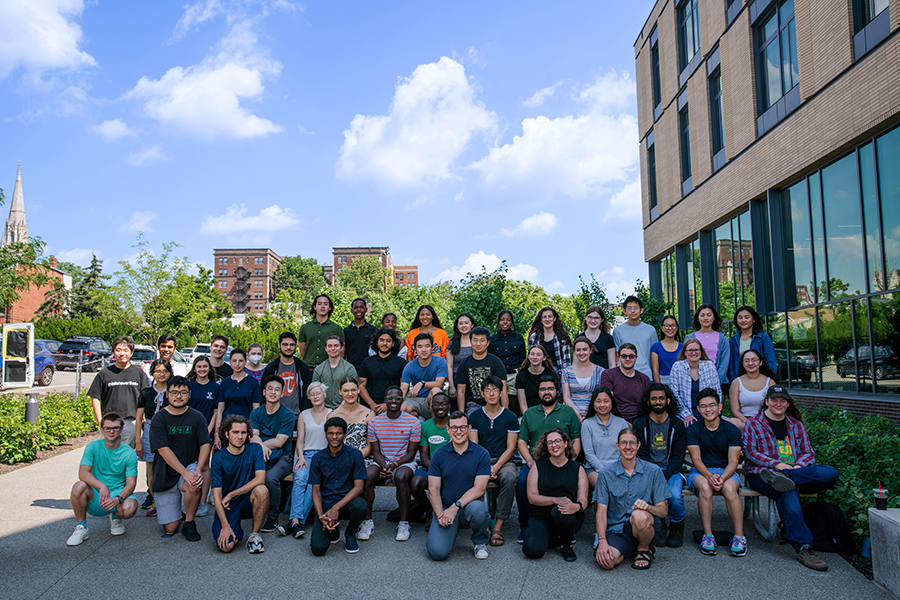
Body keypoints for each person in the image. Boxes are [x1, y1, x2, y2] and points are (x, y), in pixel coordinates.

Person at [743, 385, 839, 571]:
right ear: (767, 402)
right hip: (762, 474)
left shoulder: (796, 425)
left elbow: (808, 453)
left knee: (830, 473)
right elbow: (750, 452)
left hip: (796, 472)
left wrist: (796, 467)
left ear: (787, 403)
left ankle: (786, 477)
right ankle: (804, 548)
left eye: (782, 400)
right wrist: (776, 465)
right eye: (774, 400)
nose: (778, 404)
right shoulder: (754, 423)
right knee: (786, 490)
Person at [516, 376, 582, 544]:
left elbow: (576, 439)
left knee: (569, 482)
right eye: (543, 389)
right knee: (523, 480)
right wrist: (530, 461)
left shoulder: (568, 412)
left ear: (557, 391)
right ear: (538, 392)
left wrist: (571, 462)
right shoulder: (530, 413)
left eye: (550, 388)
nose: (547, 392)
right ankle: (525, 526)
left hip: (562, 461)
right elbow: (522, 441)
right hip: (536, 462)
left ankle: (568, 526)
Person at [593, 428, 670, 570]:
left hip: (646, 527)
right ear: (617, 445)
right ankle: (628, 550)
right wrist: (602, 541)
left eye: (632, 443)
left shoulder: (654, 471)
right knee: (607, 562)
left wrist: (648, 507)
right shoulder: (605, 474)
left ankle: (643, 549)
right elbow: (601, 512)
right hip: (617, 530)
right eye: (624, 443)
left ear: (638, 445)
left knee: (639, 515)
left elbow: (662, 512)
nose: (628, 447)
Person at [686, 387, 746, 557]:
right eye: (703, 406)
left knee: (729, 488)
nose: (708, 409)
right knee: (705, 487)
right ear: (698, 409)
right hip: (701, 471)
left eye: (712, 405)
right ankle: (708, 535)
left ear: (720, 406)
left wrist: (722, 477)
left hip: (726, 471)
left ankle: (739, 537)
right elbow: (696, 459)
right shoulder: (693, 430)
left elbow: (734, 461)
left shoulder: (731, 430)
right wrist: (710, 476)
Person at [149, 376, 211, 540]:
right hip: (165, 472)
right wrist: (185, 473)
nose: (179, 396)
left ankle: (189, 522)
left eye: (183, 393)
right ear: (167, 394)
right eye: (174, 392)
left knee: (194, 482)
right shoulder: (159, 418)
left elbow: (205, 444)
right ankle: (180, 509)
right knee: (170, 527)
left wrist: (197, 470)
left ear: (189, 394)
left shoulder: (197, 417)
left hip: (189, 465)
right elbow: (163, 449)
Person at [425, 411, 492, 561]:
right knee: (437, 553)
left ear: (469, 428)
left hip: (468, 508)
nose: (458, 432)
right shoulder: (439, 454)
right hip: (445, 510)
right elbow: (433, 489)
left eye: (462, 427)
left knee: (479, 509)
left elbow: (479, 488)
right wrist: (440, 514)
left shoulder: (481, 454)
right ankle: (447, 530)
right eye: (454, 428)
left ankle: (480, 542)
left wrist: (455, 507)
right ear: (448, 430)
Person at [66, 412, 139, 546]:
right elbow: (83, 473)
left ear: (121, 429)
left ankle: (116, 517)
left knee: (130, 508)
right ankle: (82, 528)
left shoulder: (128, 453)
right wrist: (101, 486)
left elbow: (131, 484)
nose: (111, 431)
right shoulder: (92, 447)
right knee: (78, 486)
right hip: (96, 495)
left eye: (115, 428)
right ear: (101, 429)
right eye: (107, 428)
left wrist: (118, 498)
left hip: (117, 495)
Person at [361, 387, 421, 542]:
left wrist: (393, 464)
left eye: (398, 398)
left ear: (402, 400)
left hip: (404, 462)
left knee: (401, 477)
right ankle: (367, 522)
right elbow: (375, 451)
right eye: (390, 398)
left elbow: (411, 453)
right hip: (381, 461)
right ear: (385, 399)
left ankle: (403, 523)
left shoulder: (413, 422)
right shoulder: (374, 422)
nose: (394, 401)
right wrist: (384, 465)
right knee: (367, 476)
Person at [633, 383, 687, 547]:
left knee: (675, 497)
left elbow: (678, 456)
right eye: (654, 398)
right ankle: (660, 522)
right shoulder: (639, 424)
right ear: (648, 402)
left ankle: (677, 525)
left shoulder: (677, 425)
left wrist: (665, 475)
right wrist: (656, 474)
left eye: (661, 398)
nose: (658, 401)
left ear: (668, 401)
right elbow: (641, 454)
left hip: (671, 471)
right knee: (648, 496)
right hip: (647, 471)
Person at [523, 429, 589, 561]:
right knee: (532, 550)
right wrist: (555, 500)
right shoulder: (538, 466)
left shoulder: (577, 468)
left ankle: (566, 545)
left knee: (561, 510)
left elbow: (583, 499)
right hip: (541, 515)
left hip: (567, 515)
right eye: (550, 443)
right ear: (546, 447)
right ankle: (553, 538)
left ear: (565, 444)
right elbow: (532, 497)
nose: (554, 445)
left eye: (558, 441)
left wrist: (575, 507)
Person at [468, 377, 519, 546]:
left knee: (510, 478)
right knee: (474, 478)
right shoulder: (475, 416)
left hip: (503, 460)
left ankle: (498, 525)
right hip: (481, 459)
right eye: (488, 390)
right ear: (482, 394)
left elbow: (511, 448)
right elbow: (474, 446)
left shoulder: (510, 416)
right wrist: (485, 467)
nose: (491, 393)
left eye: (495, 390)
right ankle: (482, 523)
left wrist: (496, 467)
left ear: (501, 392)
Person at [309, 416, 369, 555]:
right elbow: (316, 491)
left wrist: (336, 508)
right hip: (326, 504)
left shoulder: (355, 455)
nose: (334, 437)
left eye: (338, 433)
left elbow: (359, 487)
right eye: (331, 433)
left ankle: (350, 533)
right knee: (318, 549)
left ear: (344, 434)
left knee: (361, 506)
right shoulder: (318, 458)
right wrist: (321, 516)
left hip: (347, 502)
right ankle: (332, 529)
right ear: (325, 435)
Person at [210, 415, 268, 554]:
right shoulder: (218, 458)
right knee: (226, 547)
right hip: (228, 505)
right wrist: (225, 526)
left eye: (243, 432)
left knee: (262, 490)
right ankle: (233, 526)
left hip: (247, 499)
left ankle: (254, 535)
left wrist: (232, 494)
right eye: (235, 432)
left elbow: (260, 479)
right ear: (227, 434)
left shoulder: (255, 449)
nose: (240, 436)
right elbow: (217, 496)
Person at [284, 382, 331, 538]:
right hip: (307, 455)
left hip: (324, 457)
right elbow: (300, 440)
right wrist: (301, 457)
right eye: (312, 394)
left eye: (318, 393)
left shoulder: (331, 414)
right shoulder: (304, 414)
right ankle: (296, 521)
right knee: (300, 479)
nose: (315, 396)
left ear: (324, 395)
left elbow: (333, 441)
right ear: (309, 397)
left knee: (313, 485)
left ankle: (295, 523)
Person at [249, 375, 295, 533]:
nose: (273, 392)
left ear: (282, 394)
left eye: (277, 390)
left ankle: (272, 517)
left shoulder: (287, 414)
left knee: (269, 478)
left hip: (284, 456)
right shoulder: (256, 413)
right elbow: (253, 435)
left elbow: (279, 442)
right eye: (270, 389)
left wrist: (260, 443)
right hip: (261, 454)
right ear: (264, 392)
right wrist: (261, 445)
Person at [88, 336, 148, 449]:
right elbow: (95, 397)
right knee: (107, 457)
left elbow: (144, 398)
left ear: (131, 353)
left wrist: (142, 419)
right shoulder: (104, 374)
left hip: (131, 423)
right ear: (113, 352)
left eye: (126, 350)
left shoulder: (138, 373)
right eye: (118, 350)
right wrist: (100, 421)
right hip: (109, 423)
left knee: (127, 457)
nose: (122, 353)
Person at [410, 392, 453, 530]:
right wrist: (437, 472)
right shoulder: (425, 426)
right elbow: (424, 456)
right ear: (431, 406)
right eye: (436, 404)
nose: (440, 407)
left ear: (449, 406)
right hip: (431, 467)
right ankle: (429, 511)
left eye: (443, 404)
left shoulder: (455, 425)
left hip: (453, 468)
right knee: (415, 483)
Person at [135, 359, 172, 517]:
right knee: (151, 471)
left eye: (164, 371)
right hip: (150, 429)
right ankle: (156, 501)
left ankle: (170, 502)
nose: (161, 374)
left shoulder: (173, 390)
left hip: (169, 430)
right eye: (157, 371)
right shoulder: (146, 392)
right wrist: (138, 441)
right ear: (152, 373)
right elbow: (139, 418)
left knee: (169, 466)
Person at [186, 355, 222, 513]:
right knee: (188, 463)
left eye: (205, 366)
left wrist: (210, 430)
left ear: (209, 368)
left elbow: (216, 411)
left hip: (206, 431)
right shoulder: (188, 385)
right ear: (194, 368)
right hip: (188, 431)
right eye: (199, 366)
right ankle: (187, 496)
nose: (202, 369)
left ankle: (202, 501)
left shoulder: (215, 387)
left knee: (205, 466)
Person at [581, 387, 629, 487]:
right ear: (593, 404)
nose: (602, 405)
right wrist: (604, 470)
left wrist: (617, 469)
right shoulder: (587, 424)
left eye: (606, 401)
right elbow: (589, 453)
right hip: (595, 470)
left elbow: (625, 450)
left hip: (620, 468)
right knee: (605, 485)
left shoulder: (622, 423)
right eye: (598, 401)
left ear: (612, 403)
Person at [455, 326, 508, 414]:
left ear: (487, 343)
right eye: (475, 340)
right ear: (470, 342)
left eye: (482, 340)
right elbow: (461, 391)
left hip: (495, 403)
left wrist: (505, 411)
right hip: (473, 405)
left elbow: (504, 388)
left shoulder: (496, 362)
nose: (478, 344)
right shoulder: (464, 364)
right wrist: (462, 414)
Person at [260, 332, 313, 417]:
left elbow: (308, 391)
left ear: (295, 346)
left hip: (297, 416)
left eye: (291, 345)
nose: (288, 347)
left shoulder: (302, 367)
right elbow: (263, 390)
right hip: (274, 415)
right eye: (285, 344)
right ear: (279, 345)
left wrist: (303, 412)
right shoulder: (272, 367)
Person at [669, 338, 719, 425]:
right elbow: (674, 395)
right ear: (685, 352)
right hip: (683, 414)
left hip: (707, 412)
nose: (693, 353)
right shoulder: (677, 367)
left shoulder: (709, 366)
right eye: (690, 350)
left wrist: (710, 412)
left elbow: (717, 392)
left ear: (701, 351)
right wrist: (687, 415)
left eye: (696, 350)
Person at [400, 332, 448, 419]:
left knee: (436, 391)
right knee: (403, 408)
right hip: (416, 399)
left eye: (427, 346)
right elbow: (403, 389)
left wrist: (422, 383)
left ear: (432, 348)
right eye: (420, 347)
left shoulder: (440, 362)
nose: (424, 350)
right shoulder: (410, 366)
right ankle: (418, 417)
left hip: (432, 399)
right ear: (415, 349)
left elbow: (439, 384)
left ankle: (435, 424)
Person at [358, 328, 406, 414]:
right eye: (381, 340)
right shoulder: (367, 361)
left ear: (393, 343)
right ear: (376, 342)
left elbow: (403, 387)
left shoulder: (401, 363)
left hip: (393, 407)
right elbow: (361, 386)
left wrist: (387, 405)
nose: (384, 343)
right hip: (369, 408)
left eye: (388, 341)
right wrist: (372, 404)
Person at [599, 343, 651, 422]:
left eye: (631, 356)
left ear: (636, 358)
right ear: (618, 358)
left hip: (639, 419)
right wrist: (622, 423)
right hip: (615, 419)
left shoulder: (644, 379)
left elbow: (647, 404)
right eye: (624, 356)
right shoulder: (608, 375)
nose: (627, 359)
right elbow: (608, 401)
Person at [728, 348, 777, 432]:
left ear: (760, 362)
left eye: (754, 360)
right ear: (743, 364)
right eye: (746, 361)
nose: (750, 363)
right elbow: (735, 411)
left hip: (765, 420)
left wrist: (761, 423)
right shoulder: (736, 383)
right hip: (744, 421)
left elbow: (773, 407)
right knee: (732, 423)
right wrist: (750, 423)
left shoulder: (770, 383)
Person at [330, 378, 374, 470]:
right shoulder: (333, 415)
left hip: (363, 458)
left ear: (358, 390)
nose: (350, 394)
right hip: (340, 458)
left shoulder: (369, 414)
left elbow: (370, 446)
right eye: (345, 391)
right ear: (340, 392)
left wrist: (354, 457)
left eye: (353, 390)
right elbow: (332, 444)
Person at [685, 304, 730, 392]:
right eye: (702, 315)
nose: (706, 318)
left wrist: (716, 382)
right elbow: (686, 361)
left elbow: (724, 364)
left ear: (714, 318)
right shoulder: (690, 338)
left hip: (719, 382)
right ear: (698, 318)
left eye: (709, 315)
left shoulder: (722, 339)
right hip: (696, 382)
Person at [612, 295, 659, 379]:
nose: (632, 311)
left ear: (641, 310)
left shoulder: (650, 330)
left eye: (636, 308)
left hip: (645, 374)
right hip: (624, 375)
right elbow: (616, 355)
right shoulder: (618, 331)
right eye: (629, 308)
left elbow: (654, 354)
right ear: (624, 311)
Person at [489, 310, 526, 413]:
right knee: (499, 405)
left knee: (515, 406)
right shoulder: (492, 339)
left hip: (514, 375)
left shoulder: (519, 338)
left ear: (512, 322)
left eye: (508, 320)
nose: (505, 322)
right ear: (498, 322)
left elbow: (523, 359)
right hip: (498, 377)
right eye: (502, 320)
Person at [728, 305, 777, 382]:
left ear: (754, 319)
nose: (743, 320)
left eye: (747, 317)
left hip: (760, 380)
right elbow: (732, 364)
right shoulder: (733, 340)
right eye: (740, 318)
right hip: (740, 381)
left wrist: (768, 380)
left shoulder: (763, 337)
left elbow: (770, 361)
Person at [297, 293, 345, 370]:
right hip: (308, 369)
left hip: (329, 369)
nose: (322, 306)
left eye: (325, 304)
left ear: (329, 308)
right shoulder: (305, 327)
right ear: (314, 307)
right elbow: (302, 352)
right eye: (319, 304)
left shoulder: (337, 328)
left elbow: (342, 353)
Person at [216, 349, 262, 429]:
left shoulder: (253, 382)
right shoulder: (224, 383)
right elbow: (220, 410)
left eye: (240, 361)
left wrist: (254, 430)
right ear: (230, 362)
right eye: (234, 361)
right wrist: (217, 432)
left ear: (245, 362)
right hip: (227, 426)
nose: (237, 364)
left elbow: (256, 410)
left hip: (246, 426)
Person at [561, 335, 604, 419]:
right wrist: (577, 414)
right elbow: (566, 396)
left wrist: (589, 414)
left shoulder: (600, 371)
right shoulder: (567, 372)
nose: (581, 353)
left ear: (590, 350)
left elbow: (600, 396)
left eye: (585, 349)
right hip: (572, 414)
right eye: (578, 350)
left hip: (594, 414)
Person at [312, 335, 358, 409]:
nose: (333, 348)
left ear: (341, 348)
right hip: (324, 409)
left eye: (336, 346)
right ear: (325, 348)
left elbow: (352, 393)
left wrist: (338, 411)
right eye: (330, 346)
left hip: (345, 409)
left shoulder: (349, 368)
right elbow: (316, 392)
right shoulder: (319, 369)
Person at [527, 306, 572, 371]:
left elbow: (566, 361)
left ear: (554, 319)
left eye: (550, 317)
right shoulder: (534, 337)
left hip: (558, 373)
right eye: (544, 317)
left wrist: (565, 377)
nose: (547, 319)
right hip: (539, 372)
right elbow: (530, 359)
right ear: (541, 320)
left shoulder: (562, 337)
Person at [515, 345, 558, 413]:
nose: (535, 357)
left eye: (538, 355)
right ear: (528, 356)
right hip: (529, 412)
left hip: (548, 412)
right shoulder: (521, 376)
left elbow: (553, 400)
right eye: (532, 354)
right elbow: (523, 403)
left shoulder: (551, 375)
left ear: (544, 358)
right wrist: (529, 418)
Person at [447, 313, 475, 407]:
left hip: (474, 380)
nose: (463, 326)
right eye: (461, 323)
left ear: (472, 325)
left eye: (466, 323)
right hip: (456, 381)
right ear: (457, 326)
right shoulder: (452, 343)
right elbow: (450, 366)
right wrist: (451, 387)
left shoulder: (477, 342)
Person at [344, 298, 377, 371]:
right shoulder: (346, 331)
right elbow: (343, 352)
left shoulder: (373, 330)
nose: (358, 310)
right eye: (356, 307)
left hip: (369, 368)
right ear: (351, 310)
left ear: (366, 310)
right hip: (350, 368)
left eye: (361, 307)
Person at [650, 315, 683, 385]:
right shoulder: (656, 347)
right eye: (667, 326)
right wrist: (659, 388)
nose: (670, 328)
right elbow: (655, 370)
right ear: (662, 328)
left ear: (677, 328)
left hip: (680, 381)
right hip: (663, 381)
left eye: (673, 325)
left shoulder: (683, 347)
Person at [582, 305, 616, 370]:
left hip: (604, 377)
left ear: (602, 319)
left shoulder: (608, 338)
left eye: (596, 318)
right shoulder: (579, 338)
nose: (593, 320)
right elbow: (576, 363)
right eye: (590, 317)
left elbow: (612, 364)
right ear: (585, 317)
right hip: (584, 377)